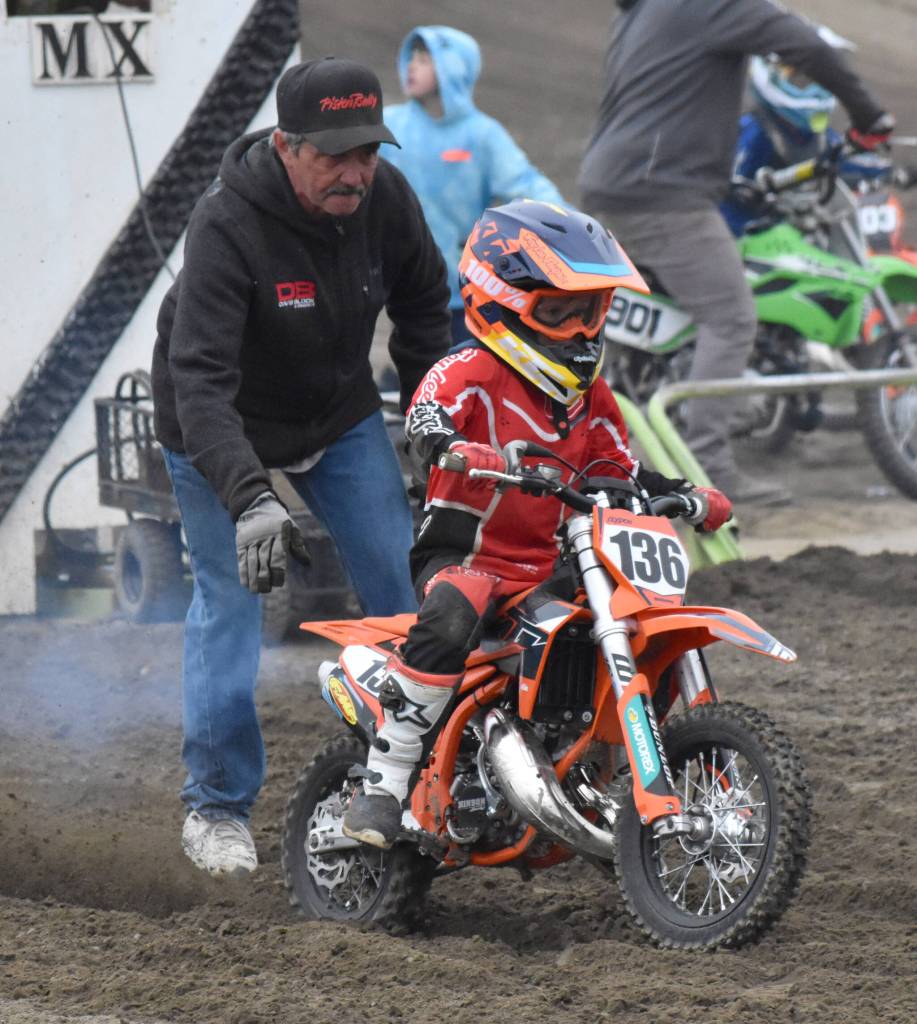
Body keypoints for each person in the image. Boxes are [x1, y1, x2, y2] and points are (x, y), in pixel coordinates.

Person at [342, 199, 733, 849]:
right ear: (501, 306)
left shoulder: (591, 398)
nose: (580, 330)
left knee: (641, 619)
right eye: (557, 312)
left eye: (591, 310)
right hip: (467, 562)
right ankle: (381, 786)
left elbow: (617, 468)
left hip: (553, 567)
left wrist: (681, 494)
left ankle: (600, 767)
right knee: (456, 601)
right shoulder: (472, 371)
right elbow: (427, 411)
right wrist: (447, 445)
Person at [151, 57, 451, 877]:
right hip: (216, 425)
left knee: (408, 586)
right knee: (233, 601)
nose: (356, 172)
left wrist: (435, 420)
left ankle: (420, 778)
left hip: (334, 414)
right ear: (285, 146)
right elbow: (200, 380)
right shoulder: (226, 227)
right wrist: (249, 496)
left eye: (368, 152)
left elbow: (427, 311)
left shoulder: (385, 199)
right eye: (335, 155)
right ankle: (214, 809)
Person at [579, 0, 894, 506]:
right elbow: (807, 43)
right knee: (730, 318)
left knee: (678, 311)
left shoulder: (640, 14)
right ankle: (709, 468)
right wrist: (871, 117)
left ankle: (641, 440)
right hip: (664, 192)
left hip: (609, 181)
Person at [383, 25, 566, 344]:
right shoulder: (390, 124)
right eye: (411, 57)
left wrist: (567, 224)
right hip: (396, 282)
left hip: (458, 288)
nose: (411, 65)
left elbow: (525, 183)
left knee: (450, 365)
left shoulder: (482, 135)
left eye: (425, 59)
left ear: (452, 67)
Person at [722, 34, 894, 237]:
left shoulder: (818, 137)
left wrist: (897, 172)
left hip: (802, 240)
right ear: (768, 72)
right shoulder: (752, 133)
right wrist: (744, 194)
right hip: (741, 243)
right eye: (801, 81)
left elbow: (849, 161)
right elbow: (726, 185)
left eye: (820, 82)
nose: (814, 91)